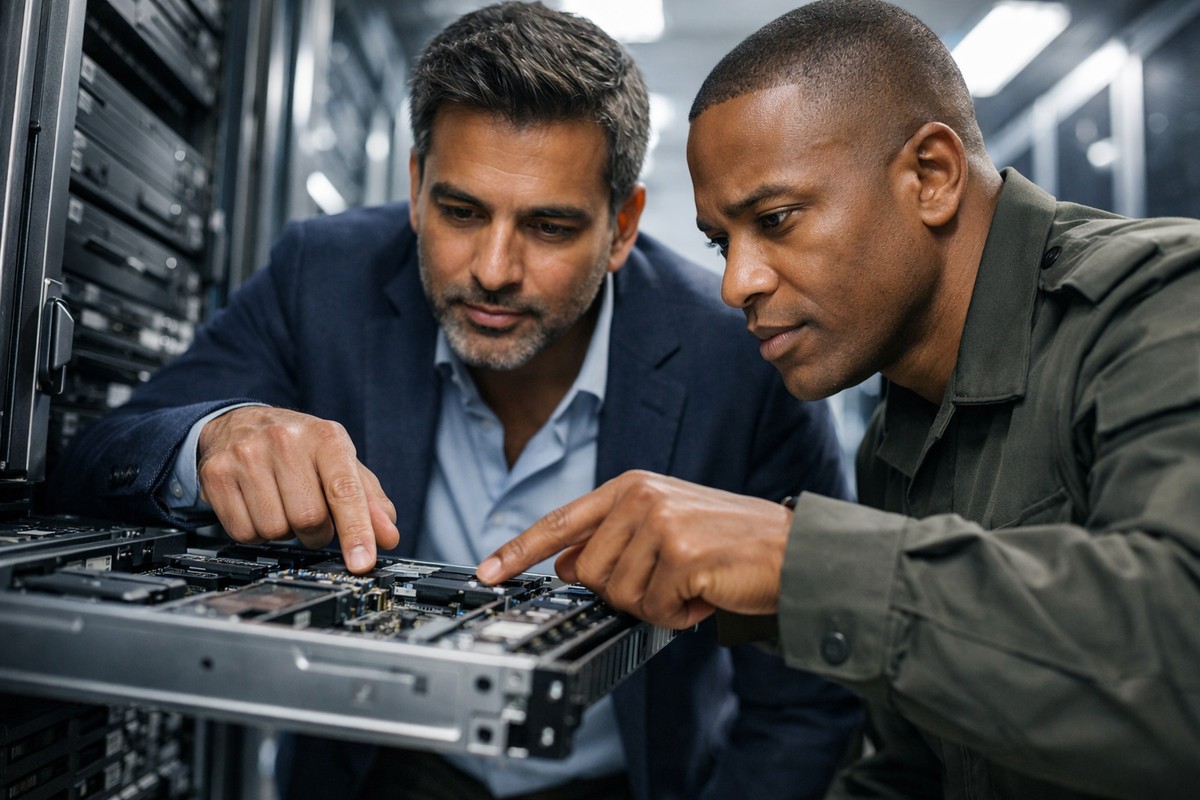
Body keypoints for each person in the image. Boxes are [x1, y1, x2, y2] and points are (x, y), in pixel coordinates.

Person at [46, 2, 863, 799]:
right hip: (378, 770)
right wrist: (215, 437)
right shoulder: (320, 278)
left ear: (622, 226)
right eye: (461, 211)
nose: (495, 269)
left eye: (548, 227)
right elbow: (95, 456)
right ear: (415, 186)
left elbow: (807, 696)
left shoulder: (740, 357)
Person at [475, 1, 1200, 798]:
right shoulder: (896, 435)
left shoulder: (1165, 305)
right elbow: (915, 767)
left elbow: (1178, 653)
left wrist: (799, 561)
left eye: (776, 219)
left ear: (931, 175)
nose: (735, 282)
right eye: (723, 242)